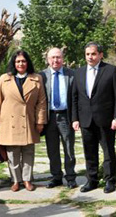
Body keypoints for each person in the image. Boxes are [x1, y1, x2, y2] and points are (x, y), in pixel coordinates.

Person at [72, 42, 116, 194]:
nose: (90, 57)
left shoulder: (111, 70)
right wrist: (75, 119)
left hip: (106, 120)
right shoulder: (79, 72)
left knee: (108, 151)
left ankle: (110, 180)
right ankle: (92, 180)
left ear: (101, 54)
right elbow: (74, 97)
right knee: (89, 152)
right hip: (85, 120)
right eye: (87, 54)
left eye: (93, 54)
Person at [0, 50, 47, 192]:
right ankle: (15, 180)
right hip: (9, 121)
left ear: (27, 62)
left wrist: (40, 121)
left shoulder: (36, 78)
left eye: (23, 61)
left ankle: (27, 179)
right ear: (13, 63)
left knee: (28, 152)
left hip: (29, 119)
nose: (20, 64)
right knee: (13, 153)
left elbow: (42, 102)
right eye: (18, 61)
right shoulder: (4, 78)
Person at [39, 48, 78, 189]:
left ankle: (71, 177)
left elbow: (75, 99)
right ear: (48, 59)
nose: (55, 60)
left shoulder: (71, 75)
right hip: (49, 117)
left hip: (65, 116)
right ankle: (56, 176)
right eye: (52, 58)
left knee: (69, 148)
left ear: (63, 58)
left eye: (58, 57)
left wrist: (75, 118)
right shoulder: (41, 76)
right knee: (52, 149)